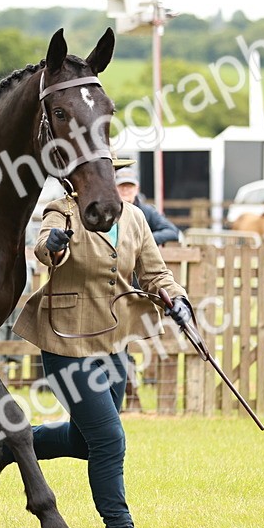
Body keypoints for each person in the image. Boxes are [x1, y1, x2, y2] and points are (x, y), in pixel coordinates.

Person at [0, 158, 191, 528]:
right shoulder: (63, 211)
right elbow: (45, 248)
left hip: (114, 345)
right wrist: (54, 246)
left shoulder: (134, 218)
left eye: (109, 172)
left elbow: (155, 273)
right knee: (110, 439)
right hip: (67, 344)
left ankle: (10, 445)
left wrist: (177, 299)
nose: (103, 180)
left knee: (84, 441)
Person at [114, 166, 180, 412]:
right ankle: (127, 400)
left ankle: (132, 399)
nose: (126, 190)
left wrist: (142, 238)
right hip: (115, 287)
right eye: (122, 186)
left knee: (135, 343)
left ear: (137, 189)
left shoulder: (145, 212)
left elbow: (173, 231)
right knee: (119, 346)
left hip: (139, 289)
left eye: (130, 186)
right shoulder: (107, 208)